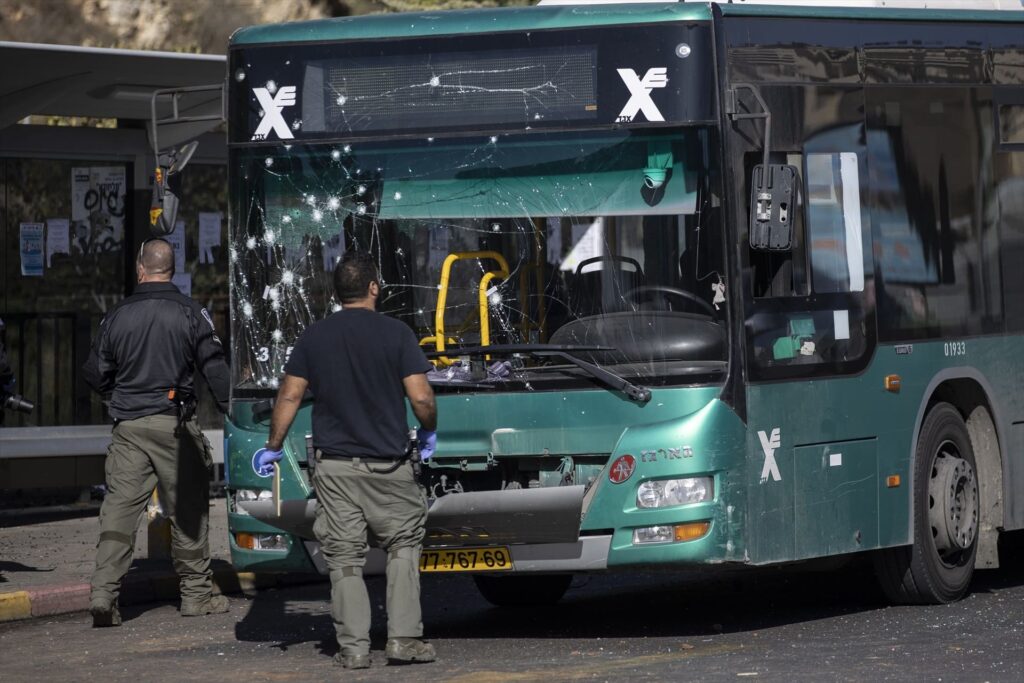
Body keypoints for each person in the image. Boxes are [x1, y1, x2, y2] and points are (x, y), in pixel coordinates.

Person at [257, 251, 437, 670]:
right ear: (374, 287)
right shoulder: (397, 334)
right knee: (404, 548)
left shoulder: (314, 338)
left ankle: (354, 649)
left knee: (344, 559)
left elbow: (289, 395)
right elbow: (422, 396)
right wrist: (428, 428)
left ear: (337, 294)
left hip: (335, 469)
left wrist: (273, 444)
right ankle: (404, 641)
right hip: (390, 467)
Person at [82, 238, 230, 627]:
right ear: (172, 268)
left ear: (140, 268)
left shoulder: (116, 315)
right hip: (174, 425)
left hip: (128, 426)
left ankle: (103, 593)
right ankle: (196, 596)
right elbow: (215, 369)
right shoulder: (191, 312)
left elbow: (95, 373)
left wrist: (120, 396)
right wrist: (233, 410)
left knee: (118, 510)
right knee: (189, 511)